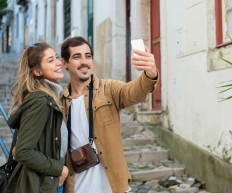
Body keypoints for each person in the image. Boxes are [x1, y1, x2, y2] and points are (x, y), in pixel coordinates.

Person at [60, 36, 158, 193]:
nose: (84, 61)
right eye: (77, 57)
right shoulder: (59, 102)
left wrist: (150, 75)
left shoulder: (109, 89)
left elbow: (134, 92)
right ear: (64, 63)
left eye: (88, 56)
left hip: (112, 187)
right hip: (75, 187)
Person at [5, 43, 69, 193]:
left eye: (56, 58)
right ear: (37, 71)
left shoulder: (49, 97)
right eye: (50, 60)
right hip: (43, 182)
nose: (59, 62)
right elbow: (23, 151)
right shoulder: (41, 101)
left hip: (46, 179)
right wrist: (61, 169)